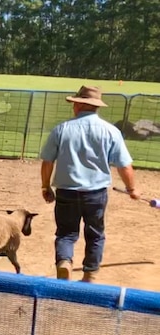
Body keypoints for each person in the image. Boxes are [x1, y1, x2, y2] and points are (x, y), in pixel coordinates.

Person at [39, 85, 140, 283]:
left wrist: (45, 186)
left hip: (66, 191)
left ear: (79, 105)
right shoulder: (111, 131)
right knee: (95, 234)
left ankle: (64, 263)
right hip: (96, 193)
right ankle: (90, 274)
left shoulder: (62, 129)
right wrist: (132, 189)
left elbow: (47, 162)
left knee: (66, 233)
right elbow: (125, 165)